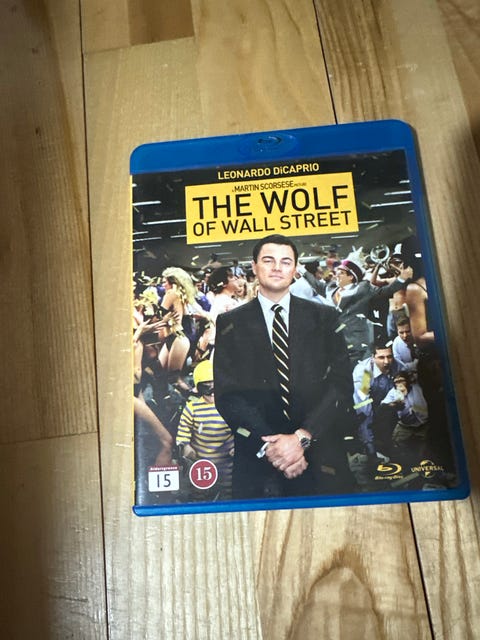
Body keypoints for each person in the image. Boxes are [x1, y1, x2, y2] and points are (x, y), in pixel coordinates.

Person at [214, 234, 354, 499]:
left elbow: (341, 385)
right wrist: (273, 447)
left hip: (321, 454)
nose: (277, 267)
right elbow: (227, 395)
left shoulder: (325, 317)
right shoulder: (230, 323)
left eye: (285, 261)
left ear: (295, 269)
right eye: (268, 260)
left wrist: (302, 437)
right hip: (258, 458)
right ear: (254, 267)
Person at [176, 360, 234, 499]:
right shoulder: (192, 408)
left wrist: (238, 445)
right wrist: (186, 447)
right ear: (198, 389)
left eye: (215, 386)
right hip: (202, 465)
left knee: (228, 495)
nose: (212, 393)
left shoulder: (229, 405)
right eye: (206, 388)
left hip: (227, 465)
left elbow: (241, 429)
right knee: (201, 495)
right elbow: (183, 433)